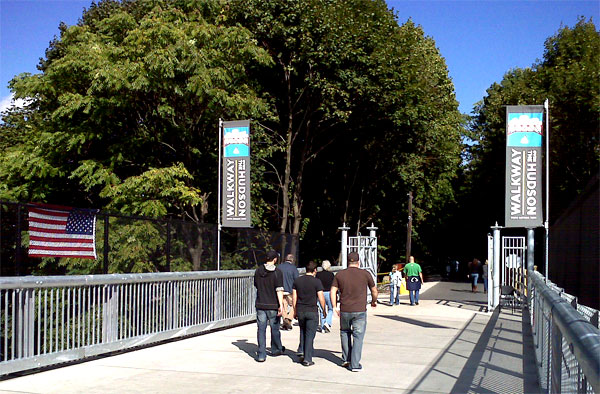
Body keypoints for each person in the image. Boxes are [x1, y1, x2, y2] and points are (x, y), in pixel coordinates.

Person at [330, 252, 378, 372]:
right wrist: (374, 301)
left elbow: (332, 291)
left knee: (345, 333)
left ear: (348, 262)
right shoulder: (365, 274)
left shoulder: (340, 274)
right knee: (358, 337)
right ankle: (355, 364)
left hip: (345, 310)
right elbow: (374, 290)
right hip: (360, 310)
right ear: (358, 262)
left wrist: (335, 306)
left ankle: (346, 359)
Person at [293, 261, 327, 367]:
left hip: (301, 309)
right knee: (310, 335)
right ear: (315, 270)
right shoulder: (317, 282)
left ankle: (302, 351)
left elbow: (294, 297)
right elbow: (321, 298)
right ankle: (307, 359)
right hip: (312, 310)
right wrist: (324, 310)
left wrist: (294, 310)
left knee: (303, 331)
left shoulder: (297, 281)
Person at [253, 250, 286, 362]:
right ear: (275, 259)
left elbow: (256, 285)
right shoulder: (277, 272)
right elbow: (279, 290)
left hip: (261, 303)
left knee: (261, 329)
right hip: (273, 304)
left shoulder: (258, 271)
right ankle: (276, 349)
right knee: (275, 328)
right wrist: (281, 305)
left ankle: (261, 354)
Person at [278, 254, 299, 330]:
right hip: (290, 290)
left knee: (283, 306)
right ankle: (289, 319)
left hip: (281, 290)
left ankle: (285, 319)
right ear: (292, 260)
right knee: (294, 305)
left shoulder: (279, 267)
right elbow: (297, 280)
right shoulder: (293, 268)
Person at [316, 260, 335, 333]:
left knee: (322, 309)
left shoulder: (318, 274)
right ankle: (327, 322)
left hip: (320, 293)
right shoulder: (331, 275)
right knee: (331, 309)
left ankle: (323, 327)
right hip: (329, 293)